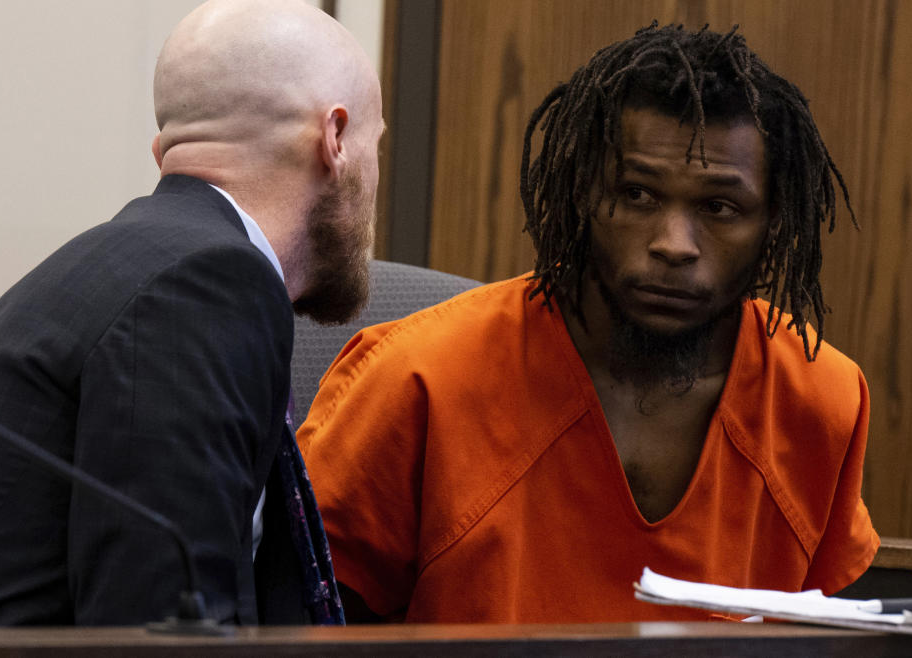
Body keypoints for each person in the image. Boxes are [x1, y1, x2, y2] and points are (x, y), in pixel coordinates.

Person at [297, 23, 878, 623]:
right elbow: (302, 617)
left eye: (719, 207)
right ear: (579, 193)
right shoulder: (416, 378)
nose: (673, 244)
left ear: (774, 222)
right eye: (637, 195)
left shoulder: (821, 398)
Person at [0, 0, 382, 626]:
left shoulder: (131, 263)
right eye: (378, 145)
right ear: (336, 138)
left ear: (166, 153)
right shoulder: (210, 283)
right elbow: (167, 631)